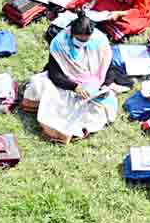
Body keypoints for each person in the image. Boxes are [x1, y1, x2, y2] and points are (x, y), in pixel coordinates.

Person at [20, 14, 118, 144]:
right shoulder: (60, 43)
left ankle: (74, 127)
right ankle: (58, 128)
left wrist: (105, 85)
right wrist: (75, 87)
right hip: (65, 83)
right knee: (38, 86)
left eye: (86, 40)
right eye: (79, 39)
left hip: (92, 87)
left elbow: (108, 68)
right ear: (72, 33)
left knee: (102, 108)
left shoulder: (100, 42)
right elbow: (55, 74)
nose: (82, 43)